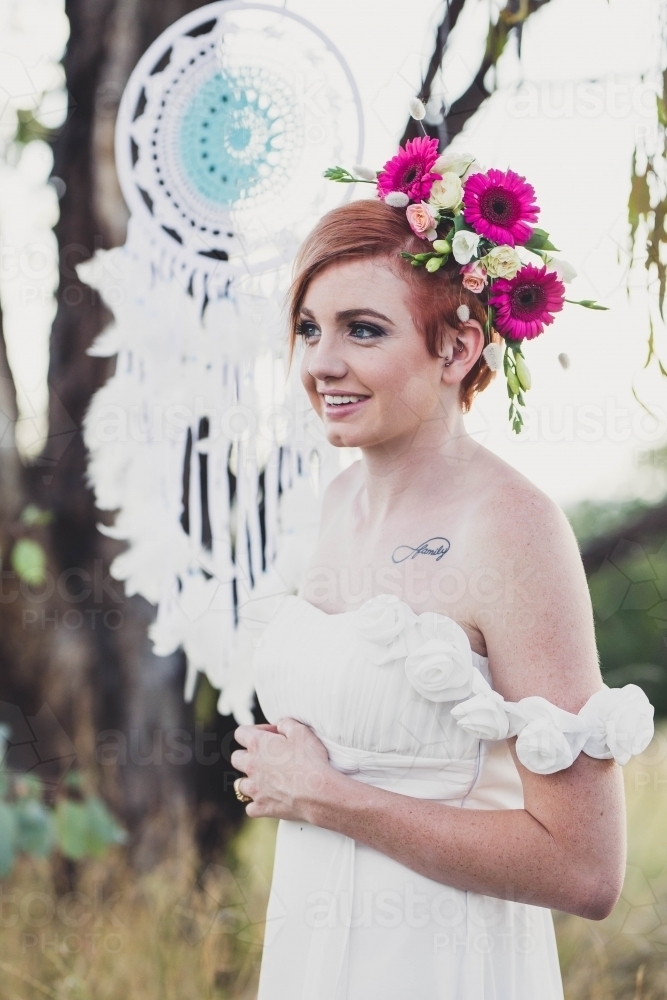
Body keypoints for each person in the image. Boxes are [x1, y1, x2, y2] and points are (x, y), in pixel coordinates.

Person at [230, 146, 654, 1000]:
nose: (319, 363)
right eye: (310, 328)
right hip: (311, 953)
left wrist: (328, 798)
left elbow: (581, 869)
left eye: (363, 329)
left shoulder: (511, 530)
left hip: (438, 963)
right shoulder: (318, 508)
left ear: (458, 346)